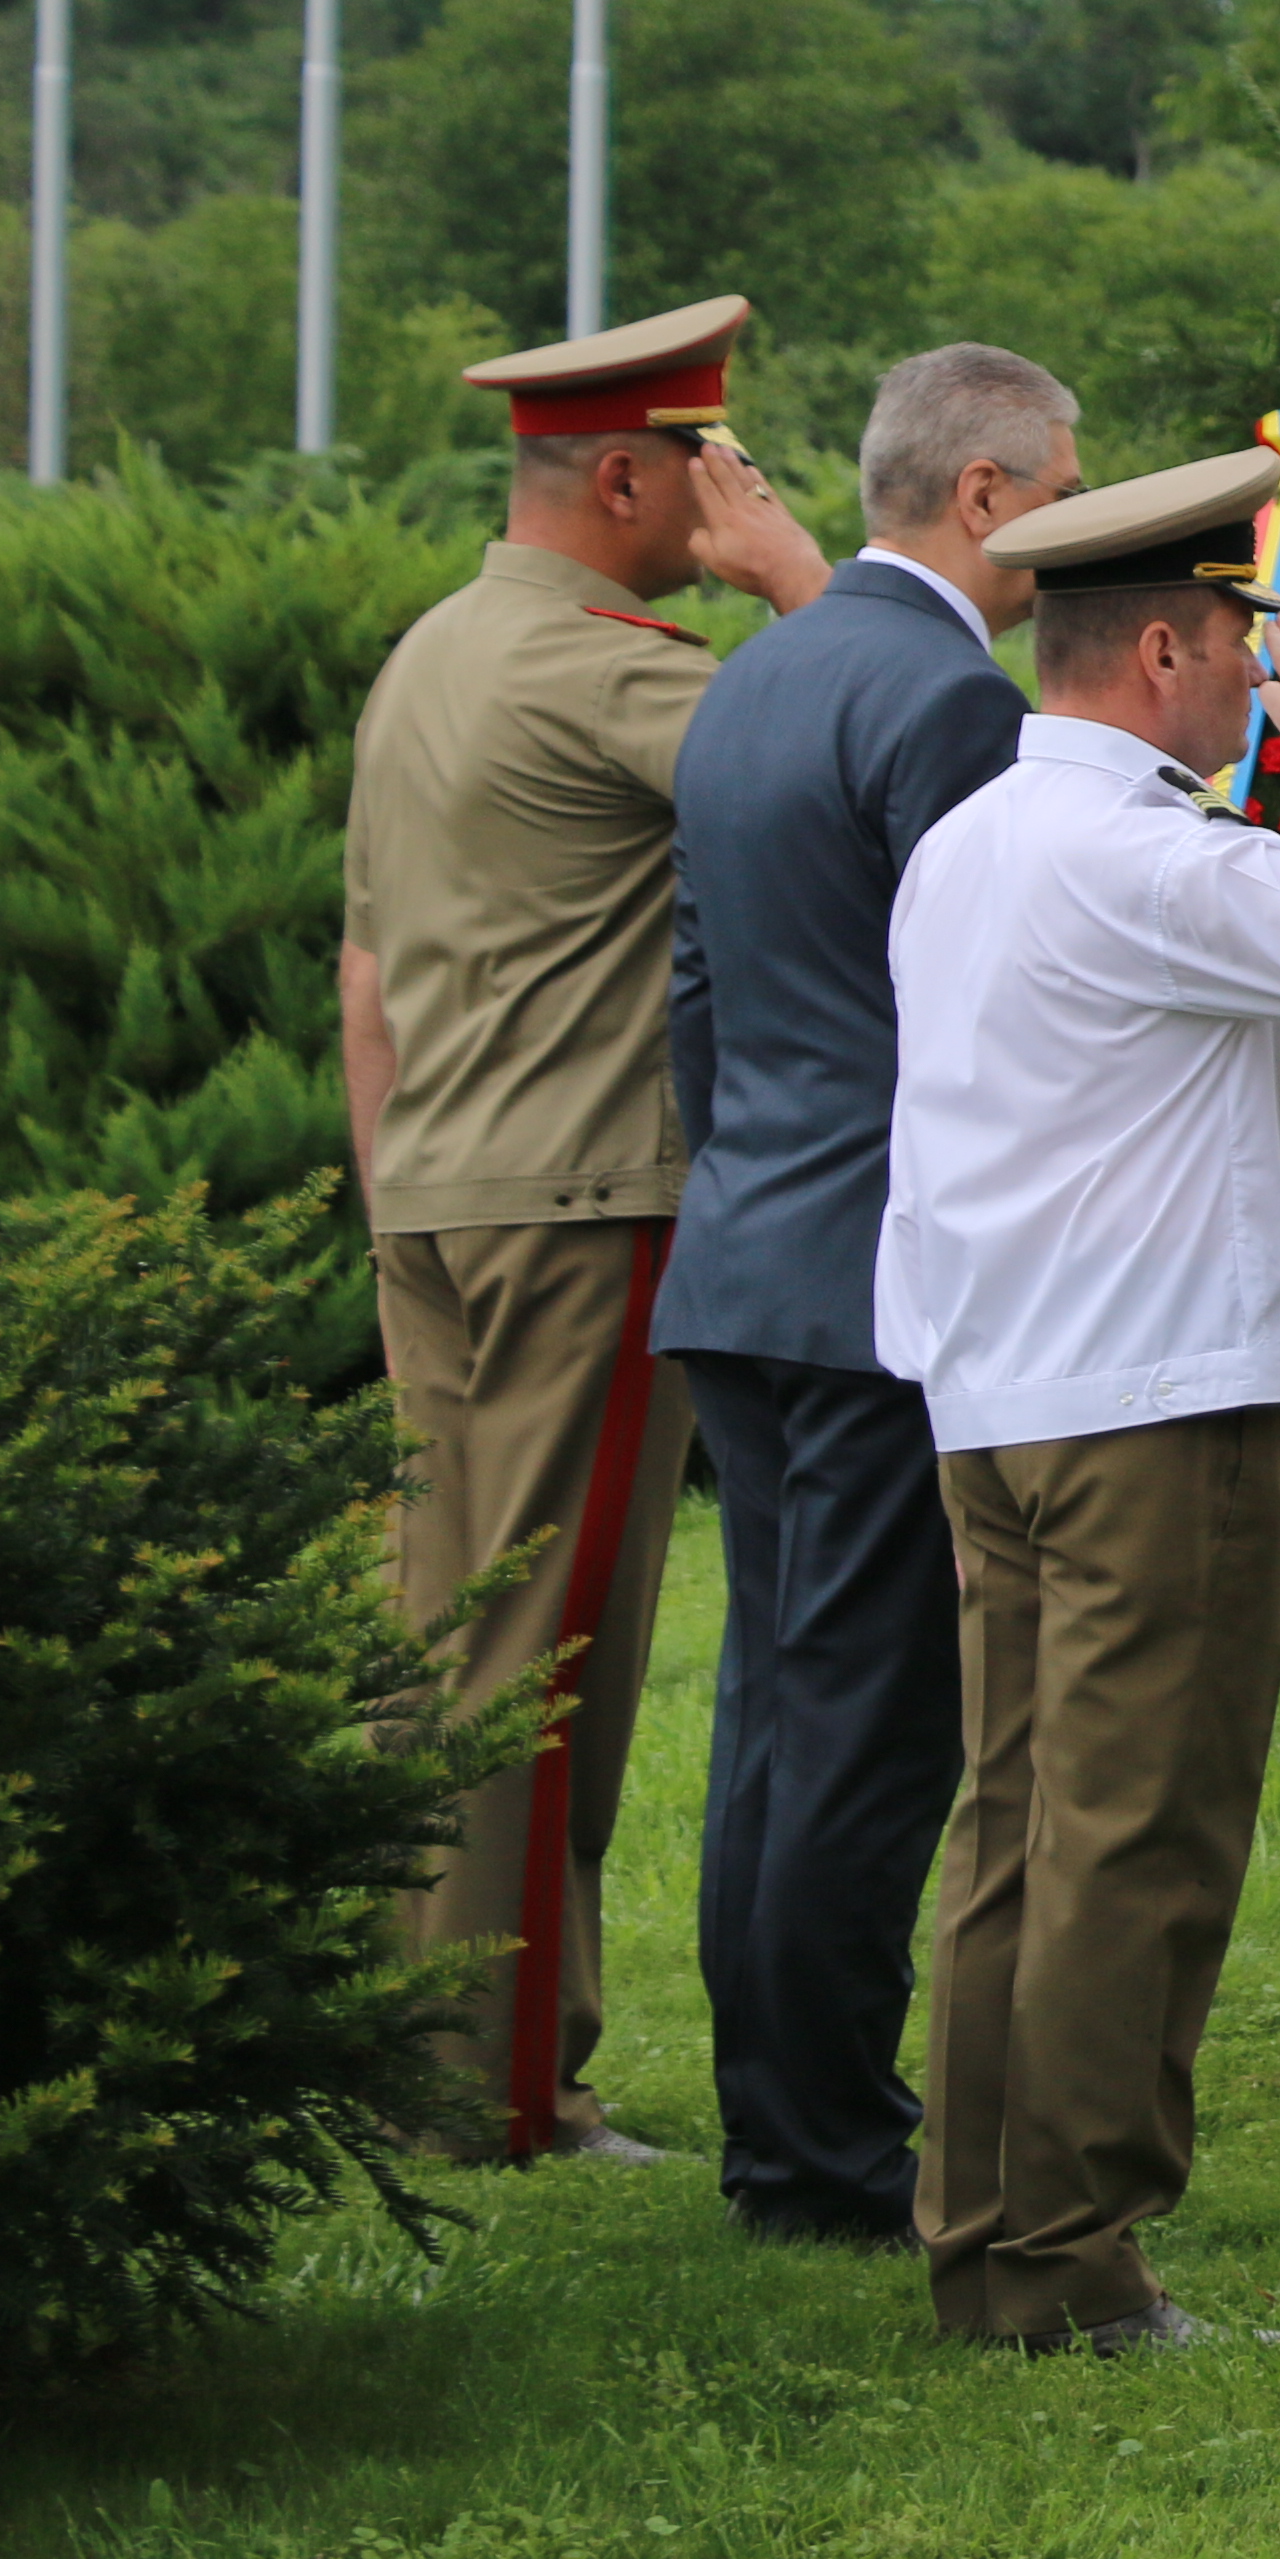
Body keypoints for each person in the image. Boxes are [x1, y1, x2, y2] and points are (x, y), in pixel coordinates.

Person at [876, 448, 1280, 2353]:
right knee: (1134, 1834)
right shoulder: (1156, 853)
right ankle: (1070, 2262)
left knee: (1015, 1827)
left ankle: (985, 2228)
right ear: (1159, 645)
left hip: (997, 1391)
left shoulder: (973, 834)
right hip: (1153, 1401)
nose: (1263, 677)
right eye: (1244, 646)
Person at [338, 291, 831, 2163]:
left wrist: (395, 1200)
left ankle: (398, 2036)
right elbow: (862, 745)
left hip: (441, 1195)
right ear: (624, 473)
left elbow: (367, 974)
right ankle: (504, 2084)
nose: (724, 493)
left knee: (439, 1641)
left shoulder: (432, 655)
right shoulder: (611, 665)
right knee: (547, 1660)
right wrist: (801, 582)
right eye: (705, 465)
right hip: (585, 1203)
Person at [655, 344, 1083, 2253]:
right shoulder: (941, 695)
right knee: (862, 1728)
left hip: (746, 1245)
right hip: (874, 1282)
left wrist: (748, 1179)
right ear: (983, 493)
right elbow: (983, 1011)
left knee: (773, 1708)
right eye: (1061, 486)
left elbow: (697, 999)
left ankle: (790, 2117)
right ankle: (819, 2149)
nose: (1070, 520)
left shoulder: (760, 671)